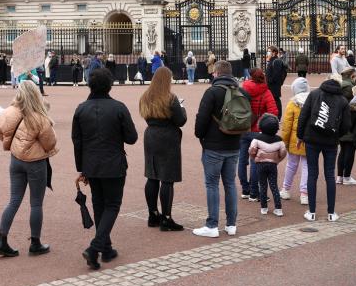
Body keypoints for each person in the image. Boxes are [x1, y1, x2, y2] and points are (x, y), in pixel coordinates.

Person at [72, 68, 138, 268]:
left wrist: (81, 168)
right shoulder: (119, 107)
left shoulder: (81, 109)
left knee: (100, 204)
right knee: (112, 205)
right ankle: (96, 247)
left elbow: (77, 142)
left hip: (91, 165)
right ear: (109, 85)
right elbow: (132, 138)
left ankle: (106, 248)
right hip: (113, 164)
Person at [0, 80, 59, 258]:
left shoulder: (8, 111)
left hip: (15, 160)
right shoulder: (39, 116)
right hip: (35, 162)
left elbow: (1, 131)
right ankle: (35, 243)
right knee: (36, 203)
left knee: (14, 201)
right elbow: (50, 142)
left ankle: (1, 240)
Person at [193, 61, 248, 238]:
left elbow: (201, 120)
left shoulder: (212, 92)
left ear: (216, 73)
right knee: (230, 184)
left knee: (212, 184)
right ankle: (231, 224)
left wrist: (200, 135)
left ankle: (212, 225)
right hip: (234, 145)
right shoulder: (241, 91)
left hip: (213, 146)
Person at [297, 74, 351, 222]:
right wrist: (338, 135)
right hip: (331, 141)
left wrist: (300, 136)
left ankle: (312, 212)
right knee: (329, 175)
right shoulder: (342, 100)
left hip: (311, 139)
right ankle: (331, 213)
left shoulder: (314, 94)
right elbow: (347, 125)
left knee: (312, 174)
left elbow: (303, 116)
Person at [139, 67, 186, 232]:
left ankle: (153, 214)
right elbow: (181, 121)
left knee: (152, 176)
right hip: (168, 137)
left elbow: (145, 115)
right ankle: (166, 218)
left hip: (151, 135)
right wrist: (182, 107)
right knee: (167, 178)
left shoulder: (145, 97)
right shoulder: (171, 98)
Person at [241, 69, 278, 201]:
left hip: (243, 127)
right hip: (257, 130)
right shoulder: (266, 91)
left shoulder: (244, 88)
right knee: (255, 161)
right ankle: (253, 192)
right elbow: (273, 111)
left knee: (242, 160)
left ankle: (245, 189)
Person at [249, 114, 287, 216]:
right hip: (273, 165)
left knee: (262, 185)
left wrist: (255, 159)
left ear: (261, 126)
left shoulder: (256, 139)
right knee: (274, 185)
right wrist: (277, 160)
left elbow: (252, 151)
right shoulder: (279, 140)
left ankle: (264, 208)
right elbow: (283, 152)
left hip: (260, 165)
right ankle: (278, 209)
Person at [279, 77, 309, 205]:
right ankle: (304, 194)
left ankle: (286, 189)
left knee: (291, 165)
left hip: (294, 139)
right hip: (308, 138)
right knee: (307, 166)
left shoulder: (293, 102)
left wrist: (284, 141)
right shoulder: (313, 101)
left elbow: (287, 125)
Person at [265, 47, 287, 117]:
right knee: (273, 99)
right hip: (271, 84)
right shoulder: (271, 60)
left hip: (274, 85)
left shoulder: (276, 61)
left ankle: (278, 116)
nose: (268, 53)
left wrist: (271, 80)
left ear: (274, 53)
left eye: (269, 51)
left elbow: (277, 73)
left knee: (276, 99)